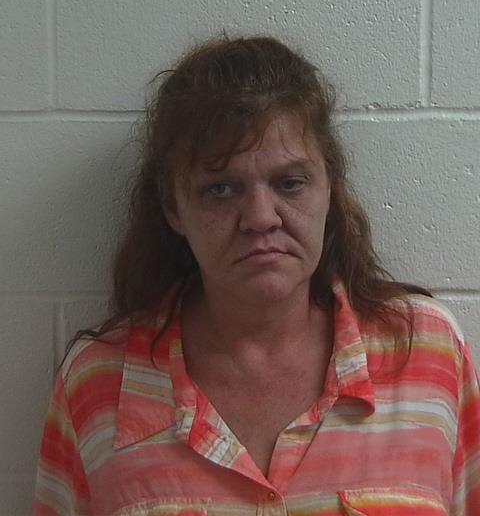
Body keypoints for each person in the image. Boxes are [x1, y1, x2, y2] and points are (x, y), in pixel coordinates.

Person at [35, 36, 480, 515]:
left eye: (290, 183)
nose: (261, 218)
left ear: (329, 188)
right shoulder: (97, 382)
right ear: (173, 208)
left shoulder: (426, 353)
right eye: (220, 189)